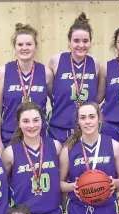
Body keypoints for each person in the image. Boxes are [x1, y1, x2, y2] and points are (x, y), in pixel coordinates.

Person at [1, 102, 67, 214]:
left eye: (36, 120)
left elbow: (62, 179)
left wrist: (64, 206)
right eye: (26, 121)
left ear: (43, 121)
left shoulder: (56, 146)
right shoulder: (10, 152)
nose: (31, 125)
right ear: (19, 124)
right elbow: (2, 184)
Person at [0, 23, 53, 150]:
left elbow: (55, 103)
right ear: (14, 48)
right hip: (10, 136)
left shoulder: (46, 73)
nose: (24, 48)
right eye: (20, 44)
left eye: (29, 44)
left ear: (35, 47)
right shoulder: (3, 72)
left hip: (38, 136)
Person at [48, 12, 99, 144]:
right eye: (76, 41)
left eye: (85, 41)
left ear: (90, 43)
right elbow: (51, 91)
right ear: (69, 42)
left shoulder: (95, 64)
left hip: (85, 129)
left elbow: (97, 97)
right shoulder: (57, 61)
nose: (81, 45)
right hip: (59, 128)